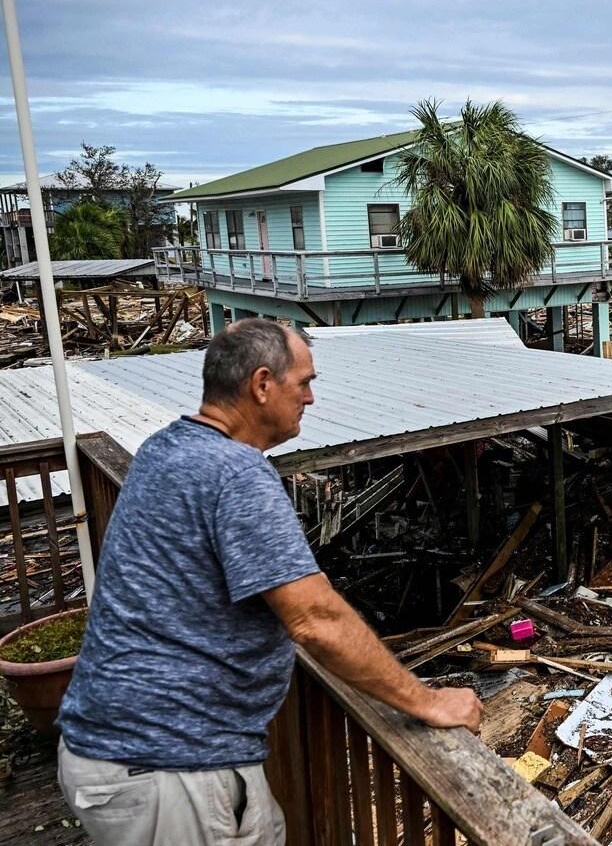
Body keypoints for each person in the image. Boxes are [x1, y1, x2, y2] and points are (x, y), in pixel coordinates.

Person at [56, 319, 481, 845]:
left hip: (119, 750)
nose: (310, 398)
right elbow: (314, 618)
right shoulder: (235, 473)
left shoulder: (165, 449)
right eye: (303, 382)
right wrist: (427, 701)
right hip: (169, 763)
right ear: (262, 385)